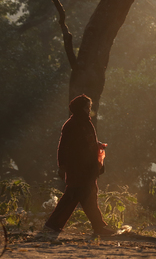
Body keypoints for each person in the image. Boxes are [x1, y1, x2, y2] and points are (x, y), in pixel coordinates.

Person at [44, 95, 115, 236]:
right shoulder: (72, 124)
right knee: (84, 196)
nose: (88, 110)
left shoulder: (84, 123)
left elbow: (88, 144)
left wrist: (97, 152)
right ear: (79, 108)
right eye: (86, 107)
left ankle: (53, 224)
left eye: (89, 107)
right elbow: (63, 147)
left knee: (79, 196)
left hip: (87, 167)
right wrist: (62, 165)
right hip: (78, 168)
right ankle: (98, 227)